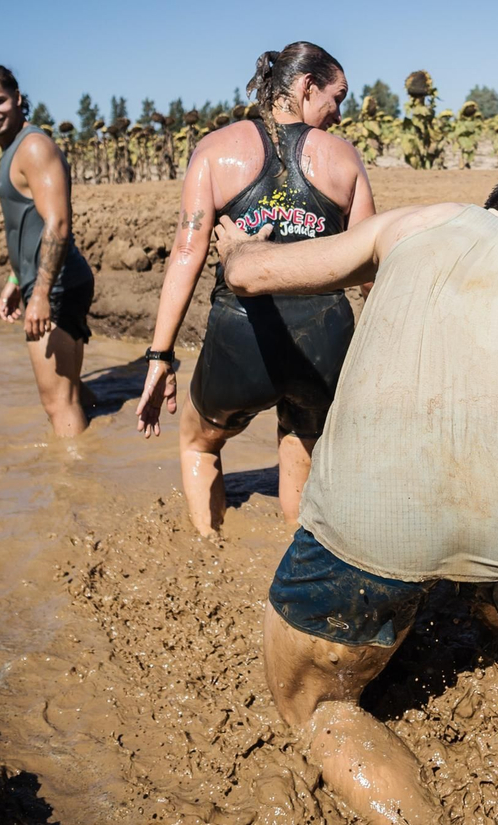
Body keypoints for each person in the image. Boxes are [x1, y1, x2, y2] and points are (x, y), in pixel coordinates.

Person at [213, 179, 498, 825]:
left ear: (492, 215)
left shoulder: (421, 222)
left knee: (313, 707)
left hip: (377, 521)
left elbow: (256, 275)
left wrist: (238, 247)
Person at [134, 41, 375, 536]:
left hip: (241, 338)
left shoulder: (215, 150)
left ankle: (208, 553)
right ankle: (296, 560)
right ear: (308, 86)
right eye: (338, 96)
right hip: (324, 342)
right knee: (302, 444)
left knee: (198, 444)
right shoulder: (344, 159)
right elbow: (370, 267)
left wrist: (159, 356)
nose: (338, 112)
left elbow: (187, 252)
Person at [0, 62, 96, 438]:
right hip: (51, 279)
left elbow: (58, 223)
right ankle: (103, 444)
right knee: (73, 391)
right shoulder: (15, 149)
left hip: (54, 285)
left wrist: (38, 295)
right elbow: (29, 226)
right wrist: (14, 277)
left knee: (58, 404)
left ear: (18, 98)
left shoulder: (33, 147)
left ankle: (74, 489)